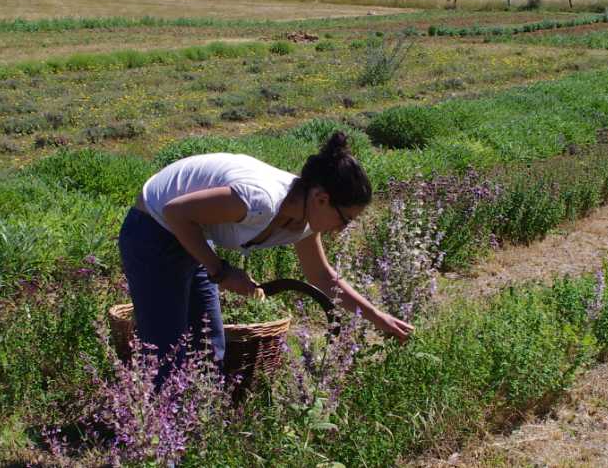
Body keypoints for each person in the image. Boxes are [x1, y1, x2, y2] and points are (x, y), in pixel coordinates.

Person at [120, 130, 413, 375]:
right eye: (345, 219)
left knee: (209, 348)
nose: (345, 228)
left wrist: (377, 317)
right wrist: (220, 271)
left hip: (193, 231)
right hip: (153, 232)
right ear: (321, 199)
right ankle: (157, 439)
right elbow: (176, 212)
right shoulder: (260, 201)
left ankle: (200, 431)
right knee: (168, 353)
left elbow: (322, 277)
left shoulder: (305, 220)